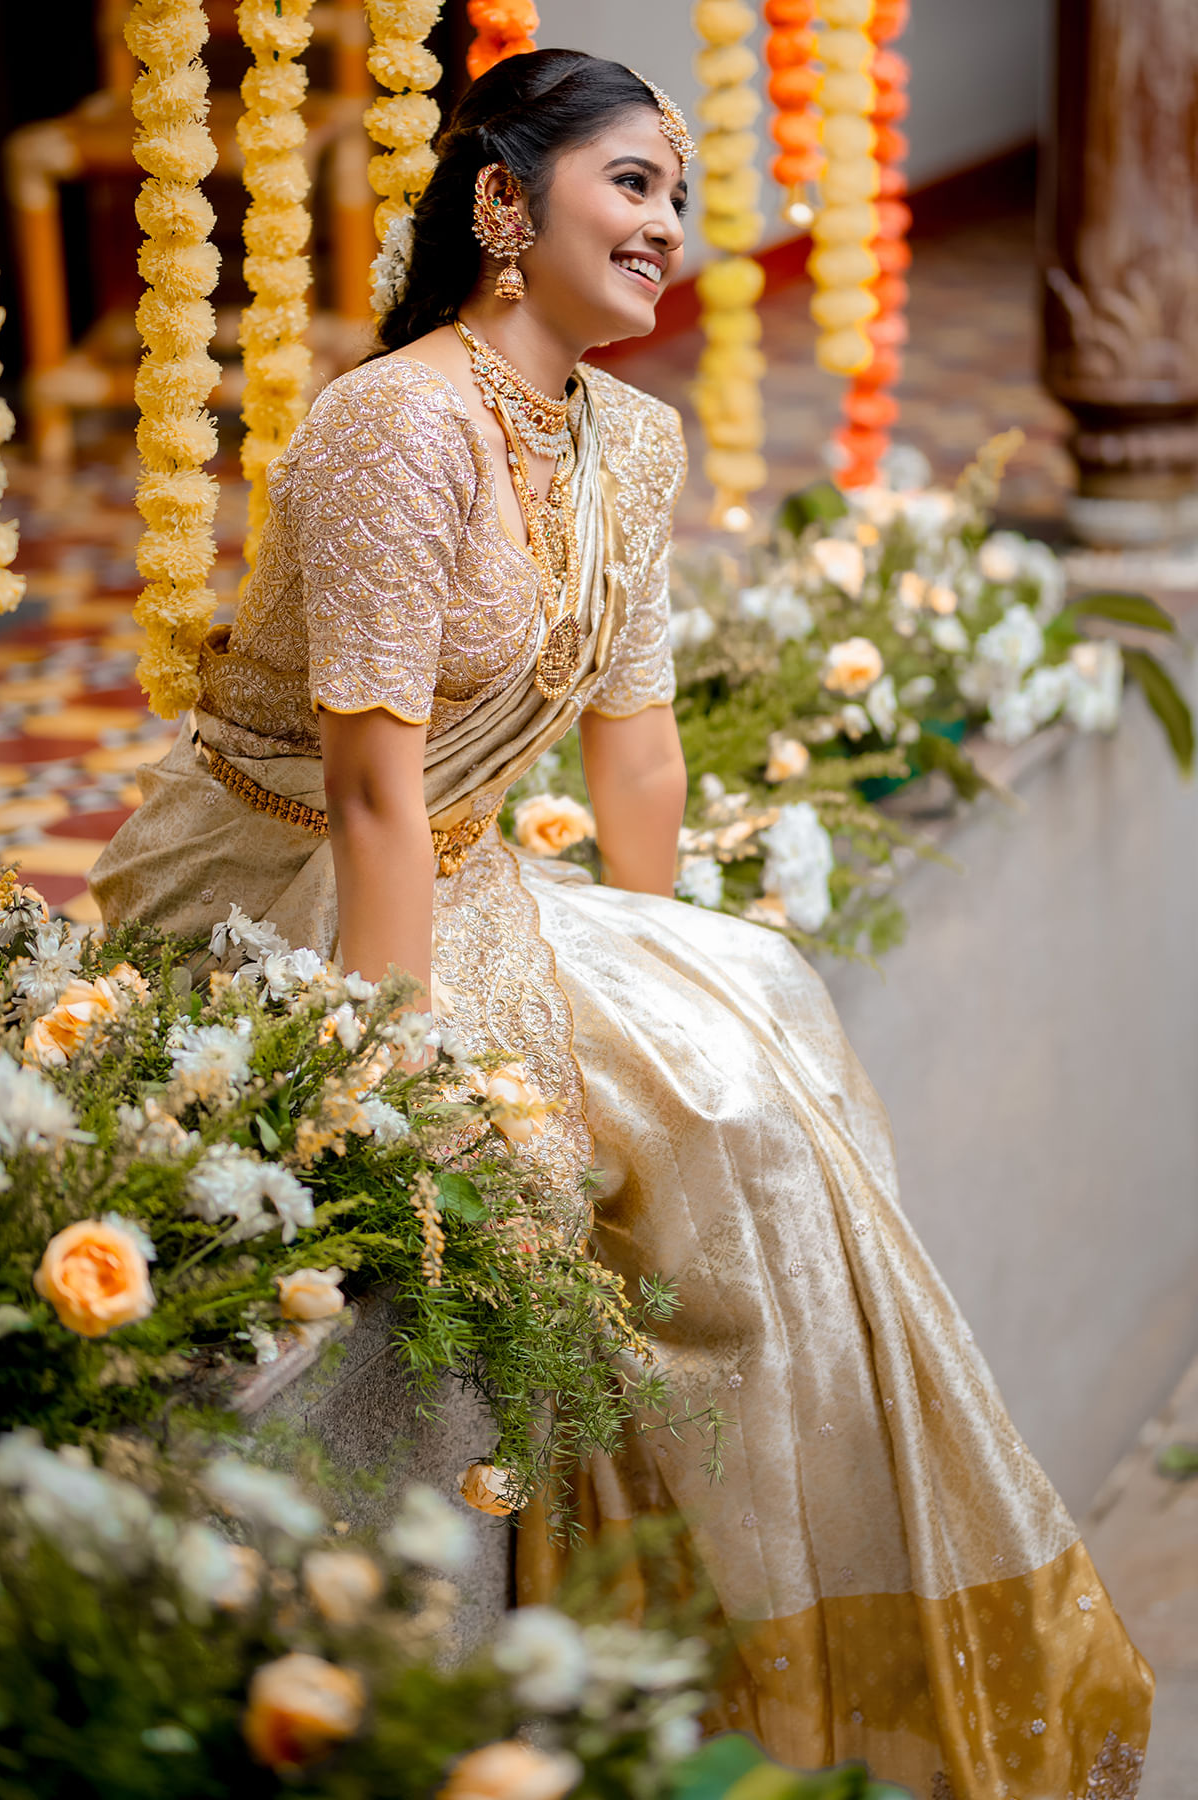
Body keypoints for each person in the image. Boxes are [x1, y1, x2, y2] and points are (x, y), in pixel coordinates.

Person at [90, 49, 1153, 1800]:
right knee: (507, 1178)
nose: (669, 224)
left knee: (743, 1058)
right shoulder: (395, 426)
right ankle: (542, 1674)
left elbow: (637, 740)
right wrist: (376, 1081)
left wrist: (666, 966)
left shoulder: (631, 443)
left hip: (469, 863)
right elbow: (368, 795)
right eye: (633, 184)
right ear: (505, 202)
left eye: (680, 191)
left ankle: (739, 1673)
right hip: (271, 883)